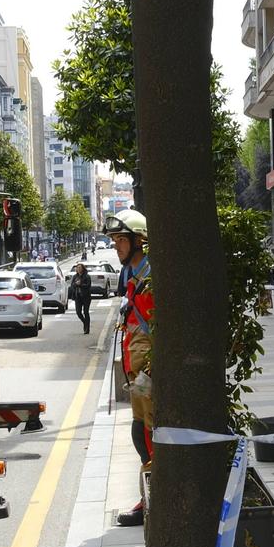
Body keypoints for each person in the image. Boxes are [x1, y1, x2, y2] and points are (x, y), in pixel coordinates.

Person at [105, 210, 153, 527]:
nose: (116, 247)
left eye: (121, 240)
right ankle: (149, 497)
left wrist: (152, 372)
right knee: (141, 434)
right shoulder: (134, 275)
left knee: (149, 435)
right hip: (138, 374)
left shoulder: (151, 275)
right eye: (114, 241)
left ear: (138, 241)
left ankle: (154, 499)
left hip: (149, 372)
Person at [68, 263, 93, 333]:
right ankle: (85, 322)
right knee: (78, 312)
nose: (78, 269)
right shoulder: (75, 276)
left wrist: (80, 284)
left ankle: (87, 329)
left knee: (86, 312)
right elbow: (72, 285)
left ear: (83, 268)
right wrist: (76, 284)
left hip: (86, 297)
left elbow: (88, 285)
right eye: (77, 268)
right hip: (78, 296)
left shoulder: (87, 276)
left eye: (80, 268)